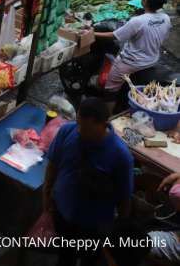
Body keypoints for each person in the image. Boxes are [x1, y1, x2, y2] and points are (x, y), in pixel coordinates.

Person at [43, 97, 133, 266]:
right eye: (78, 124)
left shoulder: (121, 156)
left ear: (103, 124)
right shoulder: (67, 132)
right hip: (63, 213)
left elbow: (124, 198)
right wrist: (47, 196)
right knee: (65, 256)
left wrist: (118, 229)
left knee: (89, 260)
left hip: (94, 225)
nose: (79, 131)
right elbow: (52, 166)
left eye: (85, 128)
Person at [95, 0, 171, 94]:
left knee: (109, 92)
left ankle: (109, 104)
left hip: (130, 63)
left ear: (145, 1)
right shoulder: (166, 18)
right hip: (151, 60)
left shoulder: (138, 21)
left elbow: (115, 36)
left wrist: (93, 34)